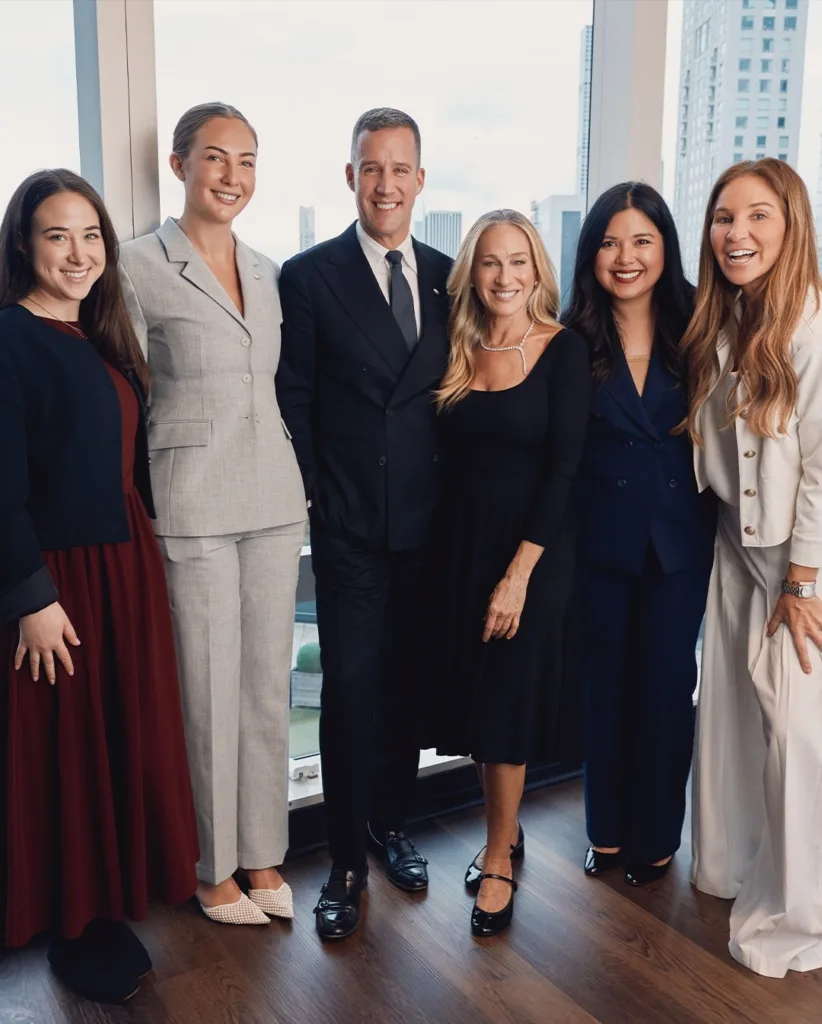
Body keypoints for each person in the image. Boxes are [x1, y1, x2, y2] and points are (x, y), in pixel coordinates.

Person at [0, 170, 199, 1003]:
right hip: (61, 584)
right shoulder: (10, 338)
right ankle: (73, 926)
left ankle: (106, 906)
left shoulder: (95, 334)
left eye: (91, 236)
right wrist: (31, 596)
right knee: (67, 754)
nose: (79, 253)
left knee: (115, 740)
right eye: (58, 236)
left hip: (123, 569)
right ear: (24, 245)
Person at [119, 103, 307, 926]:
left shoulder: (268, 271)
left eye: (247, 160)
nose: (232, 175)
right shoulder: (136, 265)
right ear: (179, 165)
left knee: (265, 686)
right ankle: (210, 866)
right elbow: (126, 391)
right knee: (204, 688)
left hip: (274, 497)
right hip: (191, 499)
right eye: (216, 157)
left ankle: (262, 852)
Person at [276, 107, 452, 940]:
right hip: (350, 527)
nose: (385, 184)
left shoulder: (451, 276)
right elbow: (296, 399)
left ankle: (392, 825)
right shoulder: (310, 276)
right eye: (370, 168)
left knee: (407, 688)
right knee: (348, 692)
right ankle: (345, 860)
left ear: (421, 179)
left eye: (399, 168)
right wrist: (321, 499)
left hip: (430, 524)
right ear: (351, 177)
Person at [426, 209, 590, 937]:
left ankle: (497, 857)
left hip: (533, 554)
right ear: (472, 273)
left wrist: (519, 574)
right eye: (491, 262)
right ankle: (507, 827)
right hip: (460, 547)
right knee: (478, 695)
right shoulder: (456, 349)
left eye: (518, 261)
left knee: (508, 702)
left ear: (537, 270)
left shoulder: (563, 348)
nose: (505, 276)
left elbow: (564, 470)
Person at [685, 158, 822, 979]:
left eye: (758, 215)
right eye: (723, 217)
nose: (736, 233)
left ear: (791, 224)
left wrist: (803, 579)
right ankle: (733, 864)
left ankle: (802, 909)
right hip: (736, 552)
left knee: (799, 738)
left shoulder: (811, 327)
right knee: (736, 722)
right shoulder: (728, 321)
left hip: (800, 565)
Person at [562, 183, 716, 887]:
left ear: (665, 247)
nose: (625, 257)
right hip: (597, 543)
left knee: (666, 690)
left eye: (642, 241)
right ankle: (607, 831)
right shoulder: (570, 336)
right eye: (609, 242)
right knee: (604, 689)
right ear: (591, 253)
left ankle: (656, 837)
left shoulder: (703, 321)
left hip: (679, 542)